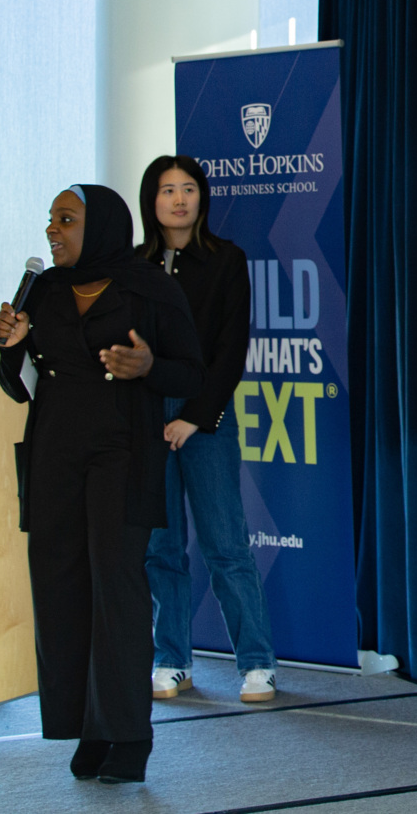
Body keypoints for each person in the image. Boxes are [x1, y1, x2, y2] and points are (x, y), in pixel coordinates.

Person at [0, 185, 202, 785]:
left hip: (121, 451)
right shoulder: (44, 290)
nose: (52, 231)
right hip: (54, 450)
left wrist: (149, 369)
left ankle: (130, 733)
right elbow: (18, 381)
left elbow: (191, 368)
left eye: (66, 219)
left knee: (117, 588)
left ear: (103, 225)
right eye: (49, 220)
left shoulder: (148, 286)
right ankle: (86, 726)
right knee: (60, 587)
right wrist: (11, 347)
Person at [137, 154, 278, 704]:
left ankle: (258, 663)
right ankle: (172, 659)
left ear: (202, 197)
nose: (179, 199)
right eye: (168, 189)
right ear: (152, 200)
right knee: (161, 546)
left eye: (189, 188)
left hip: (207, 415)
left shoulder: (226, 260)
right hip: (146, 416)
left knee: (226, 544)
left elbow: (230, 349)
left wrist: (194, 416)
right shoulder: (134, 266)